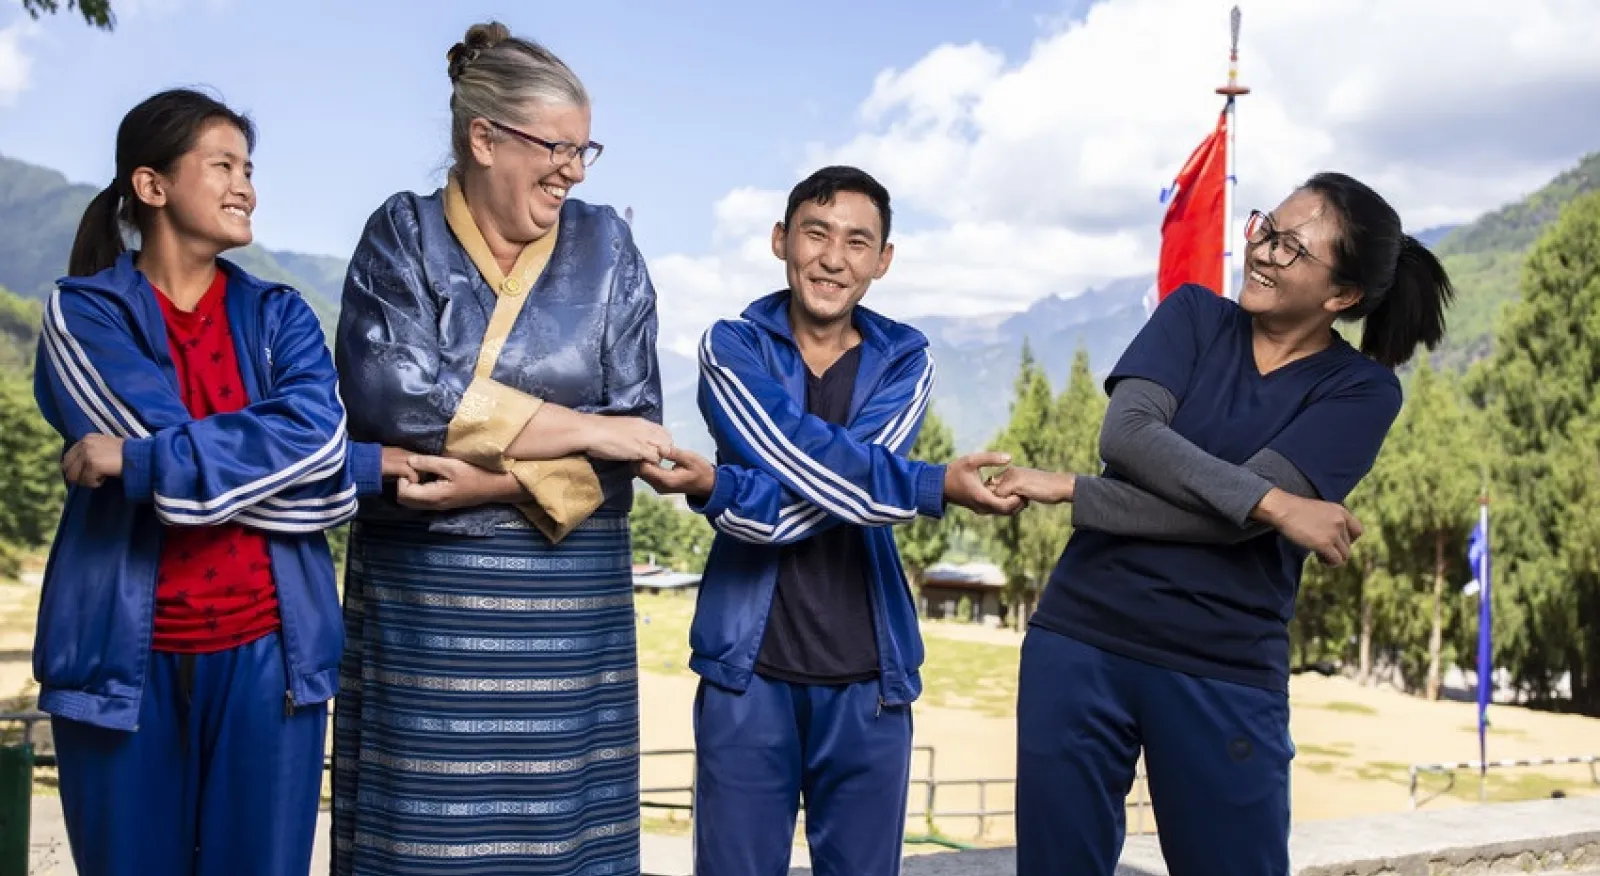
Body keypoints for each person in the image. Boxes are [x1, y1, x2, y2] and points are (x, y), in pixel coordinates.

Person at [989, 172, 1456, 875]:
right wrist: (1277, 505)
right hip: (1081, 639)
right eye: (1265, 229)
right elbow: (1128, 438)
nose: (1263, 252)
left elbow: (1224, 527)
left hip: (1223, 669)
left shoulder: (1360, 390)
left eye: (1292, 248)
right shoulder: (1193, 316)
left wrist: (1075, 495)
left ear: (1342, 296)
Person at [32, 88, 401, 876]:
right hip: (118, 667)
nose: (246, 186)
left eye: (250, 168)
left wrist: (134, 466)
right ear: (152, 185)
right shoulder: (82, 314)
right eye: (223, 165)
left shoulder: (281, 314)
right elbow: (313, 467)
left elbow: (313, 438)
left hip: (273, 658)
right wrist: (343, 473)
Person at [330, 22, 668, 876]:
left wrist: (485, 485)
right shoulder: (401, 234)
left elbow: (640, 431)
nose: (576, 170)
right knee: (423, 837)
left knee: (563, 835)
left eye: (585, 148)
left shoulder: (608, 249)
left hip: (566, 618)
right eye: (556, 146)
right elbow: (390, 397)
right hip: (426, 616)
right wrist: (583, 426)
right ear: (484, 139)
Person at [636, 165, 1020, 876]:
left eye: (857, 241)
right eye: (815, 233)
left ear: (883, 260)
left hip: (870, 678)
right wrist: (933, 485)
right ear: (781, 240)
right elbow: (812, 464)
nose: (833, 258)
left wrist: (726, 490)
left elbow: (829, 487)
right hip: (747, 678)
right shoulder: (732, 346)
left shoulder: (906, 359)